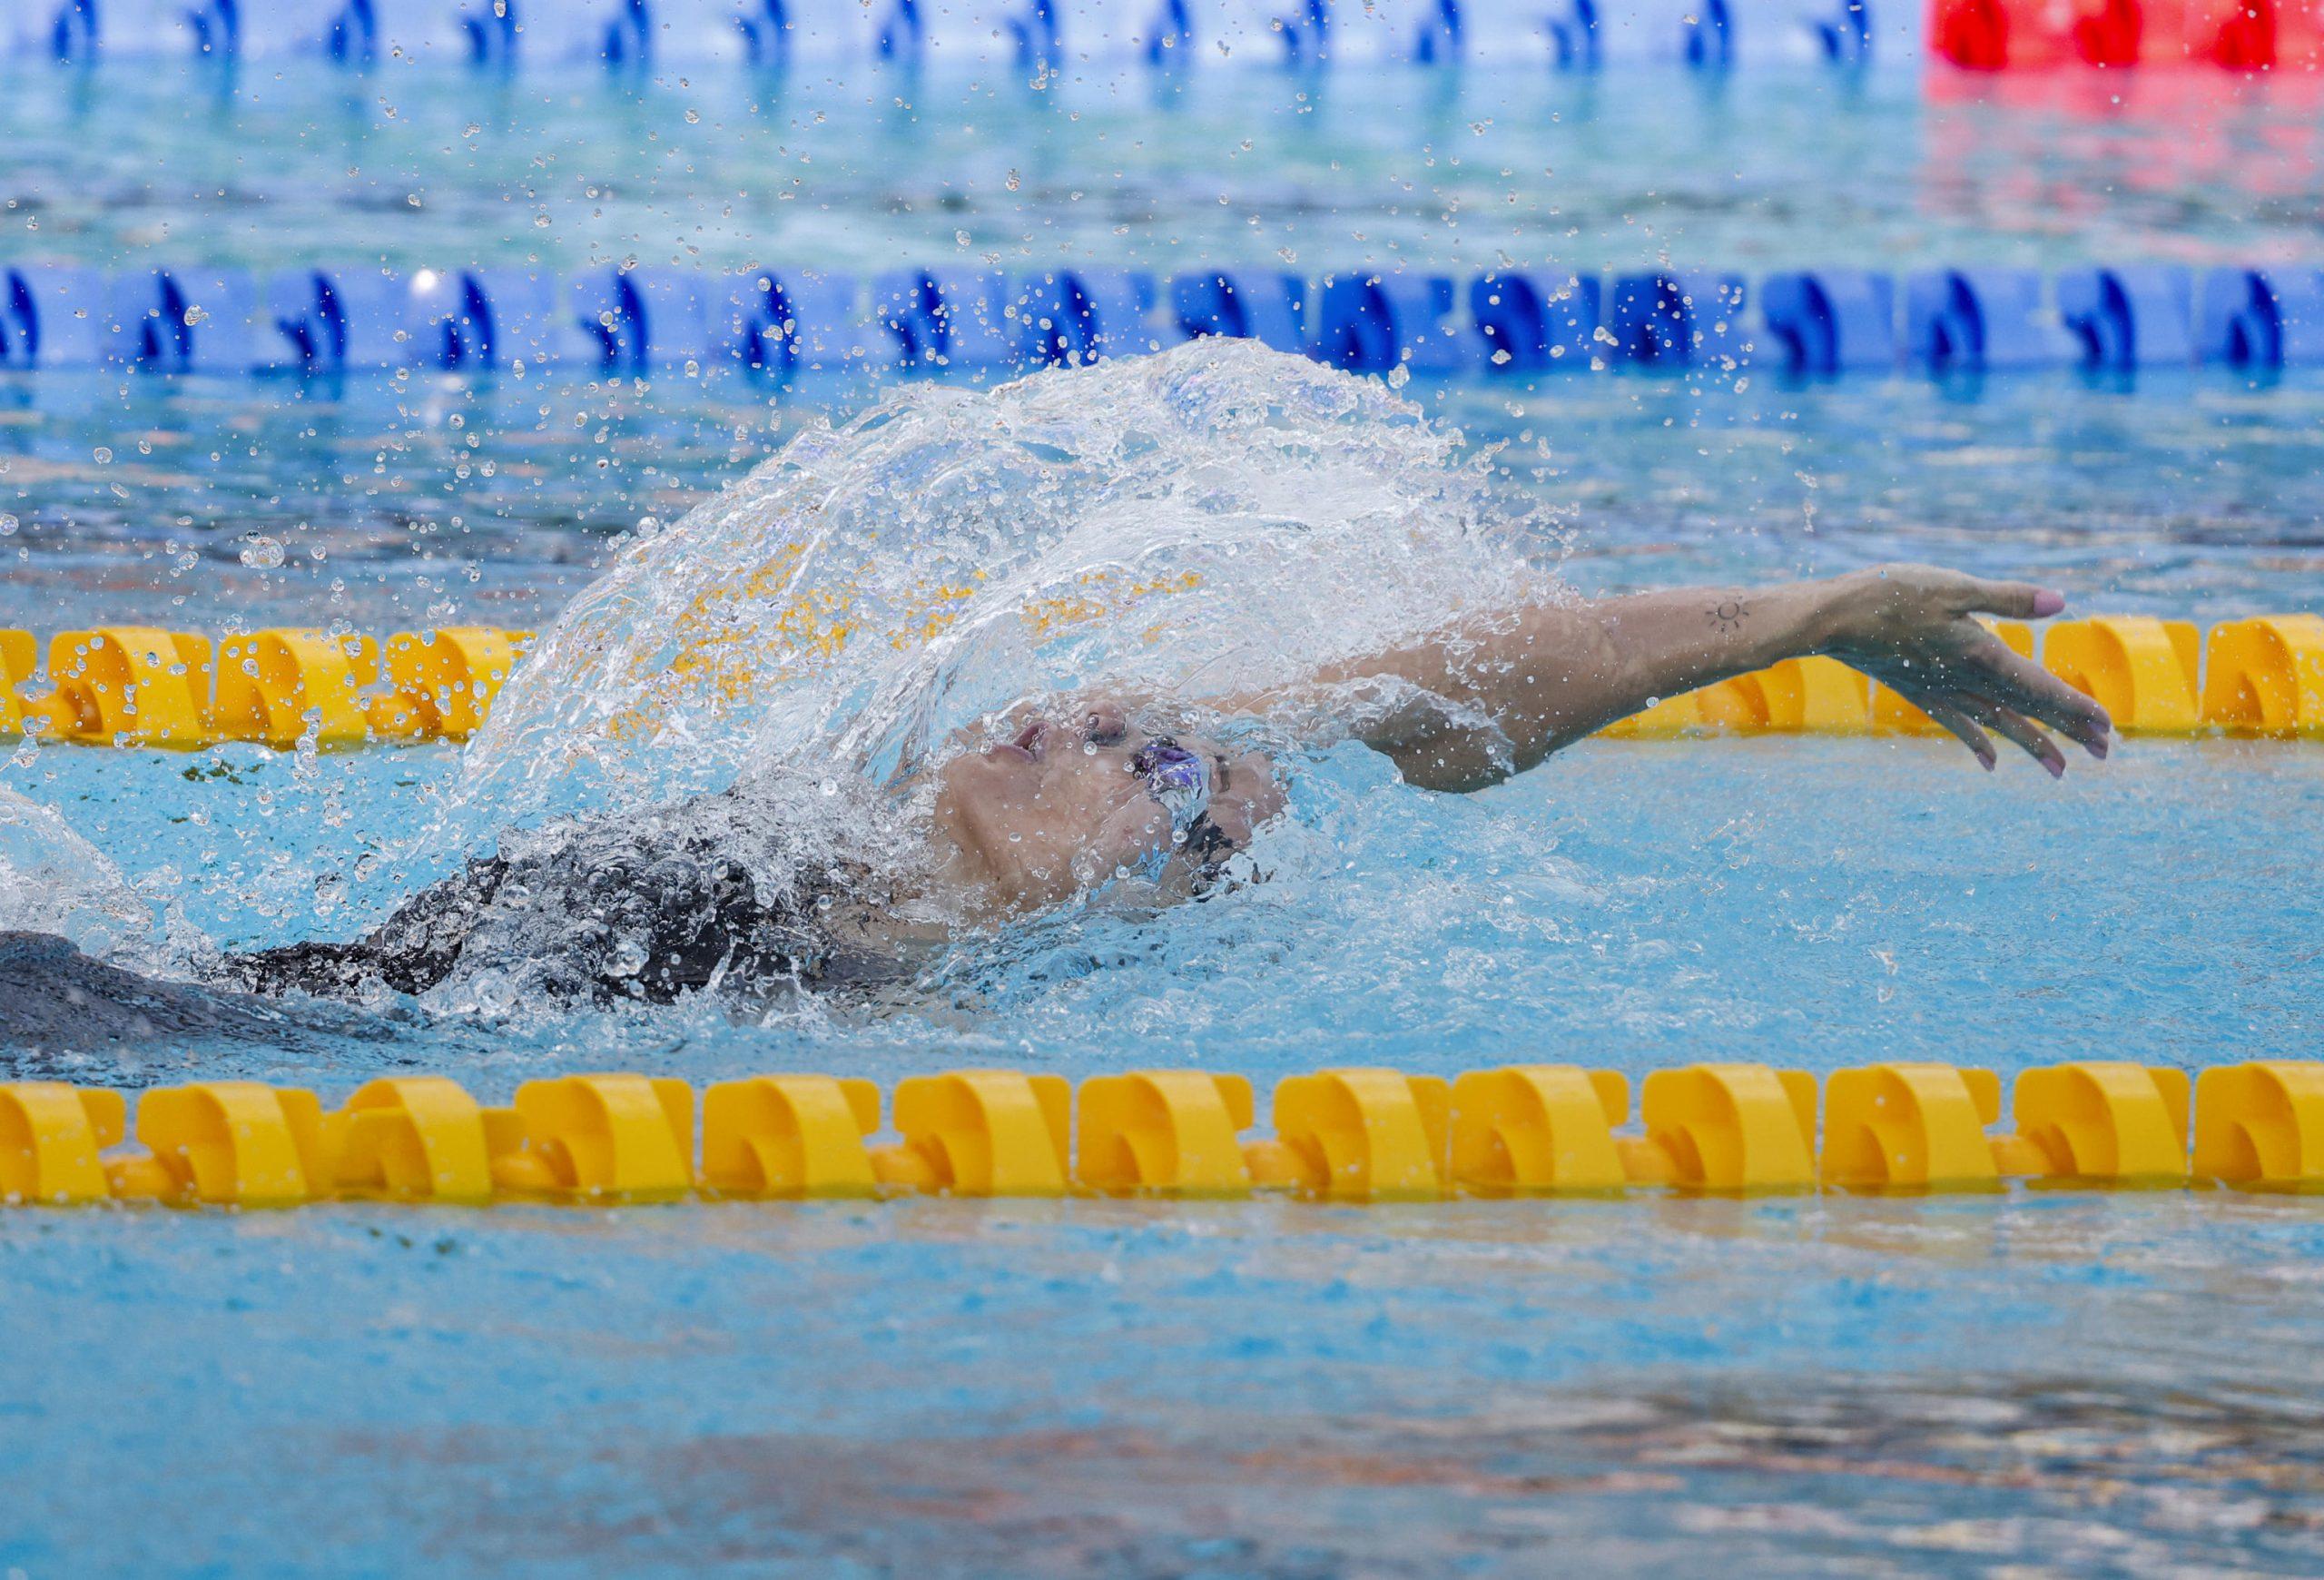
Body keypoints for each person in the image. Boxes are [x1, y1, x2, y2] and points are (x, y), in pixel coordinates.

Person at [218, 562, 2110, 1010]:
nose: (1091, 723)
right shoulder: (842, 815)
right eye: (1116, 708)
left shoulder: (886, 1009)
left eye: (1155, 762)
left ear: (1147, 881)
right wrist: (1807, 608)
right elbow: (1432, 697)